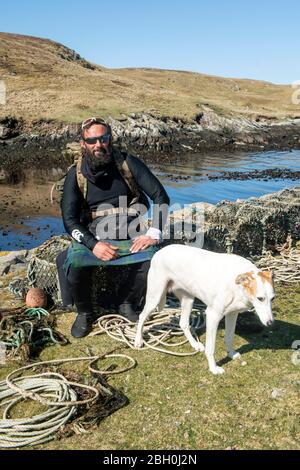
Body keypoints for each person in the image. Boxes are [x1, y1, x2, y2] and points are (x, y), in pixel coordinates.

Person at [56, 117, 170, 338]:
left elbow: (160, 196)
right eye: (92, 140)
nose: (98, 144)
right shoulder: (75, 174)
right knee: (75, 264)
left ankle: (126, 303)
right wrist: (94, 244)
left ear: (110, 139)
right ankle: (85, 312)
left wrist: (153, 233)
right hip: (94, 233)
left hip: (131, 229)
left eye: (103, 138)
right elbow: (69, 220)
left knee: (152, 259)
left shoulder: (128, 163)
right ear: (83, 143)